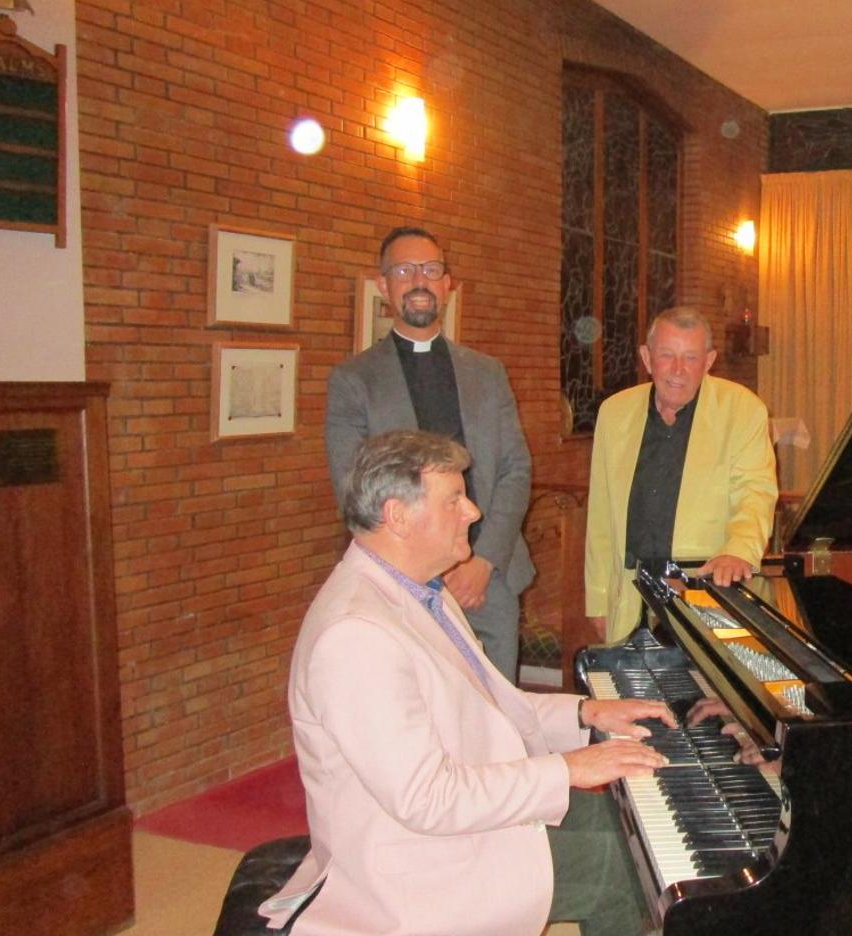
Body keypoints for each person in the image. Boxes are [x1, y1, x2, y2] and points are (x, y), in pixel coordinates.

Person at [261, 430, 673, 935]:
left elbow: (491, 705)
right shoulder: (355, 636)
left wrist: (586, 713)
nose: (474, 512)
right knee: (625, 868)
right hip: (413, 869)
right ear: (397, 516)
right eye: (454, 499)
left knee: (628, 822)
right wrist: (567, 769)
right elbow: (427, 799)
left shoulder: (419, 592)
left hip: (453, 828)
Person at [325, 226, 532, 682]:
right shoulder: (354, 381)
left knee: (499, 708)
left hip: (488, 579)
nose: (419, 281)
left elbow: (515, 470)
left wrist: (482, 561)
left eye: (431, 270)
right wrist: (425, 570)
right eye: (404, 271)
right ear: (383, 286)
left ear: (447, 284)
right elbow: (355, 494)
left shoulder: (487, 373)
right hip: (400, 586)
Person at [585, 306, 779, 643]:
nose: (678, 370)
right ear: (647, 358)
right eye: (667, 355)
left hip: (707, 594)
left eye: (691, 357)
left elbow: (755, 491)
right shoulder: (614, 413)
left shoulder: (743, 409)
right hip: (629, 597)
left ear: (709, 361)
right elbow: (600, 515)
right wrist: (598, 599)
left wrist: (739, 550)